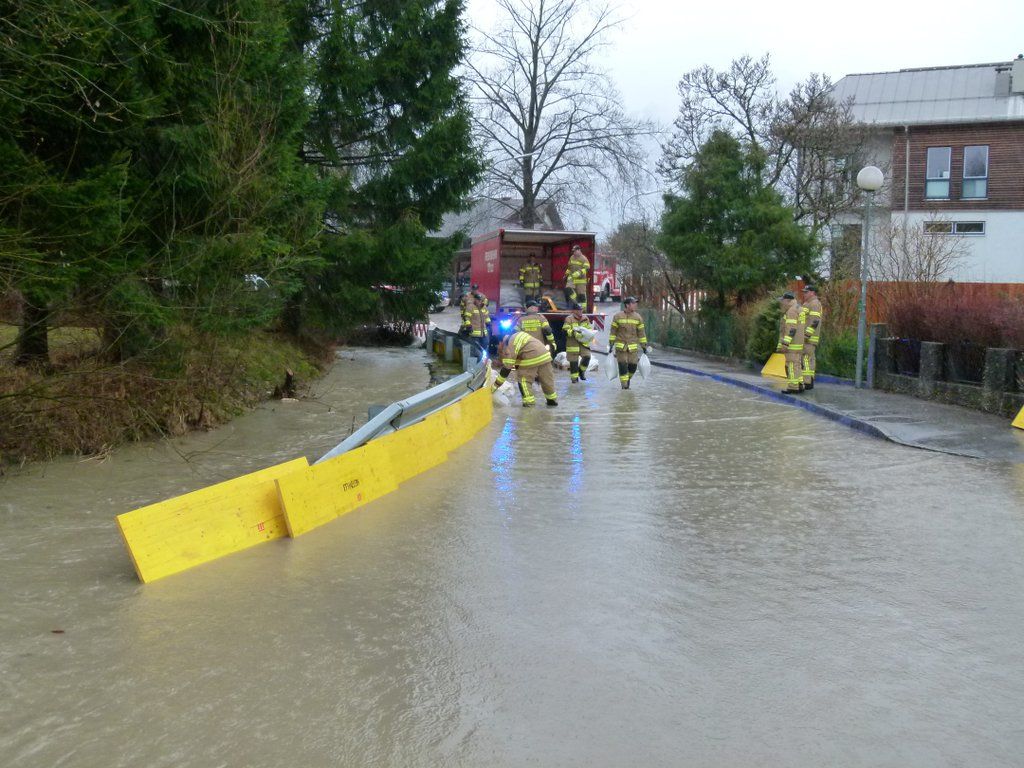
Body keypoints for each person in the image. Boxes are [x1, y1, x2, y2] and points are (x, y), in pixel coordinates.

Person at [493, 331, 558, 407]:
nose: (498, 349)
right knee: (547, 380)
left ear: (501, 343)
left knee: (523, 379)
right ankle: (551, 402)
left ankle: (528, 405)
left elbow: (506, 369)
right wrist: (512, 369)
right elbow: (517, 362)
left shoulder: (510, 344)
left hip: (532, 356)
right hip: (545, 355)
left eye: (497, 346)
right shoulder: (517, 337)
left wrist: (495, 385)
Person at [608, 296, 647, 389]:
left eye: (635, 303)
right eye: (633, 303)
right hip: (621, 347)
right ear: (627, 305)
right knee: (622, 365)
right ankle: (624, 386)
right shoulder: (617, 316)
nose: (635, 305)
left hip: (632, 348)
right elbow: (613, 332)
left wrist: (644, 346)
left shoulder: (638, 317)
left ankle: (627, 379)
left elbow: (641, 333)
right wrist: (611, 344)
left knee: (633, 366)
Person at [776, 291, 805, 394]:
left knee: (791, 365)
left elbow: (791, 329)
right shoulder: (799, 308)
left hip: (792, 344)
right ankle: (800, 384)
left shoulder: (791, 311)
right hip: (799, 343)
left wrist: (785, 343)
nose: (782, 303)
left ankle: (793, 387)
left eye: (783, 300)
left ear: (788, 300)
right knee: (797, 364)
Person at [799, 284, 823, 389]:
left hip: (809, 339)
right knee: (807, 359)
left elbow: (814, 321)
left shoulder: (814, 304)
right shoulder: (807, 303)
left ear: (812, 293)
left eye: (806, 292)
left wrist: (806, 335)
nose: (804, 294)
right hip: (805, 337)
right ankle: (808, 381)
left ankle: (808, 382)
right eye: (804, 292)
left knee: (807, 360)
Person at [563, 303, 593, 383]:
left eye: (581, 310)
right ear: (574, 311)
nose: (580, 311)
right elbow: (565, 331)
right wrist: (574, 333)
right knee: (574, 363)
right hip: (572, 344)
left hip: (583, 344)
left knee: (587, 357)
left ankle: (581, 371)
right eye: (578, 310)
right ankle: (574, 380)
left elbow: (589, 329)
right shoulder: (569, 319)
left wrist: (590, 334)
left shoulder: (585, 318)